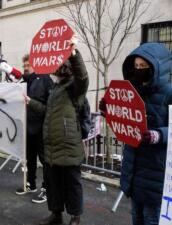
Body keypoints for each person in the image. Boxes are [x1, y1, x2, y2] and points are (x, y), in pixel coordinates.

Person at [99, 42, 172, 225]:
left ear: (156, 68)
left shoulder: (169, 93)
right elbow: (123, 121)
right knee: (136, 218)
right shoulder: (131, 91)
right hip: (134, 170)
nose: (139, 70)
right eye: (136, 66)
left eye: (144, 66)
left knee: (151, 218)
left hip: (156, 172)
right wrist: (109, 111)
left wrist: (158, 135)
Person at [26, 38, 88, 225]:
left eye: (59, 64)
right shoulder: (55, 89)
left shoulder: (75, 88)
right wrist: (31, 102)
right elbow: (47, 112)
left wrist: (74, 53)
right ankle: (56, 214)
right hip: (52, 148)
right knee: (54, 184)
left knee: (72, 185)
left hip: (68, 147)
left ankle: (75, 217)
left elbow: (83, 76)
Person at [15, 54, 54, 204]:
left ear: (36, 65)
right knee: (30, 158)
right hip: (28, 127)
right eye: (24, 66)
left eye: (28, 66)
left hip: (42, 128)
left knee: (45, 160)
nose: (25, 68)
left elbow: (49, 107)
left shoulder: (45, 80)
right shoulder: (24, 81)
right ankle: (31, 183)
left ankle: (47, 189)